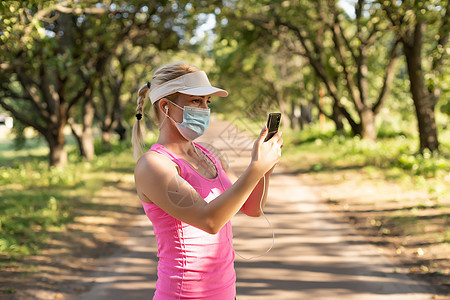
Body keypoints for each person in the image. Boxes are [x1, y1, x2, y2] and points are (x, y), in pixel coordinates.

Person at [132, 61, 283, 299]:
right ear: (166, 106)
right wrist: (255, 168)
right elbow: (210, 220)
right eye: (195, 101)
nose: (204, 108)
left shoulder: (208, 155)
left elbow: (252, 208)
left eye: (206, 102)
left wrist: (266, 167)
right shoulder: (153, 165)